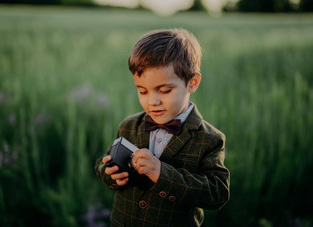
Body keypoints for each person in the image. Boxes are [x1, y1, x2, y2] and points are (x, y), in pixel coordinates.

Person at [95, 28, 230, 226]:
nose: (152, 102)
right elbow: (103, 162)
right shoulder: (129, 126)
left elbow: (217, 193)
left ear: (192, 83)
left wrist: (162, 173)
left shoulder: (209, 139)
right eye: (142, 91)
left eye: (165, 90)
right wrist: (109, 173)